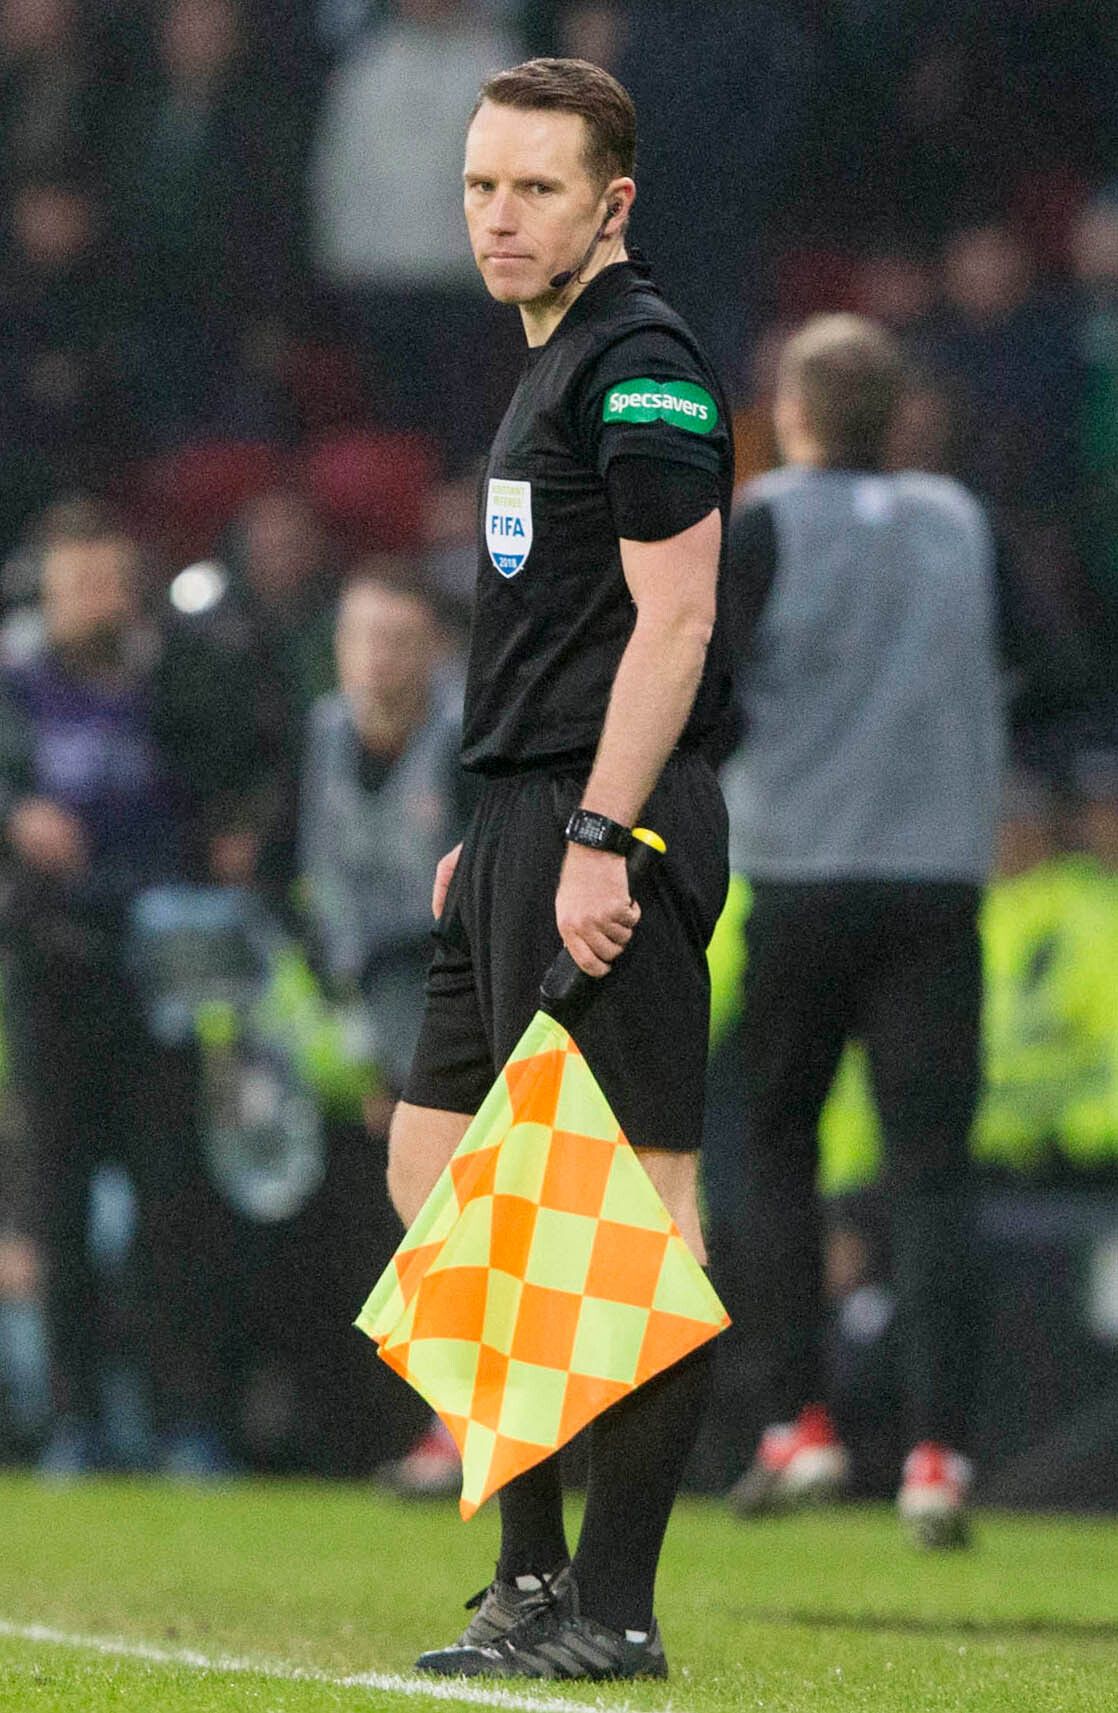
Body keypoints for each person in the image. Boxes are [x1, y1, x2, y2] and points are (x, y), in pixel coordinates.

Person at [384, 56, 733, 1681]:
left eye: (532, 188)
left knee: (644, 1217)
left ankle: (617, 1604)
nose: (498, 216)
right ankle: (529, 1571)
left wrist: (598, 830)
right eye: (479, 186)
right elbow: (564, 617)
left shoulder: (642, 365)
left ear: (612, 202)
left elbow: (676, 621)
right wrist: (503, 817)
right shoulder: (547, 357)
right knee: (436, 1185)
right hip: (521, 815)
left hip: (618, 823)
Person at [713, 314, 1004, 1548]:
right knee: (932, 1171)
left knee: (762, 1136)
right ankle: (938, 1457)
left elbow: (707, 685)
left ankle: (799, 1424)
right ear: (896, 419)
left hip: (803, 876)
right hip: (938, 883)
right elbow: (1040, 675)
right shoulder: (960, 522)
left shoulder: (767, 520)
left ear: (792, 413)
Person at [0, 500, 265, 1475]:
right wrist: (13, 816)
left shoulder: (181, 676)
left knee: (173, 1206)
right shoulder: (14, 688)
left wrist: (232, 831)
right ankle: (76, 1424)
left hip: (165, 969)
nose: (93, 602)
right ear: (48, 592)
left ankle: (185, 1422)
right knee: (60, 1208)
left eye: (108, 581)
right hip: (54, 962)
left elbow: (238, 763)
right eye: (76, 585)